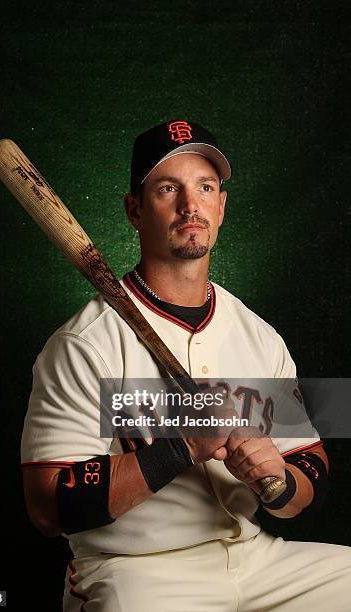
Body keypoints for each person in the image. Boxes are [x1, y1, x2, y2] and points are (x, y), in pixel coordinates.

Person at [21, 119, 351, 611]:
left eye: (205, 187)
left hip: (256, 558)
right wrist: (179, 448)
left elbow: (312, 467)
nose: (190, 205)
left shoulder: (258, 335)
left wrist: (278, 481)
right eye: (167, 188)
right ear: (134, 210)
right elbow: (46, 507)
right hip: (137, 570)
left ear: (221, 206)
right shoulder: (83, 344)